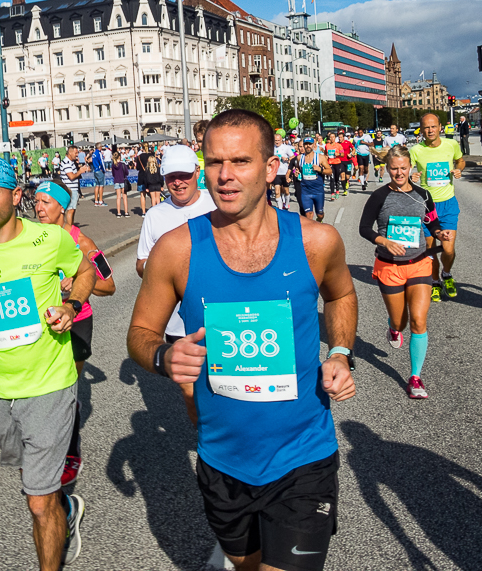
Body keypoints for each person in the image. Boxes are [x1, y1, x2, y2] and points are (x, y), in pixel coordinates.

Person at [128, 109, 358, 571]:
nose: (225, 176)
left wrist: (339, 352)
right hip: (222, 460)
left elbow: (342, 294)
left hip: (303, 457)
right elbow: (139, 333)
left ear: (271, 168)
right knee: (245, 564)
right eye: (214, 162)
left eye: (240, 162)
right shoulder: (177, 248)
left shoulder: (317, 241)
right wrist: (163, 356)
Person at [0, 157, 97, 570]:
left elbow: (85, 269)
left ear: (15, 196)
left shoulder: (50, 239)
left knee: (38, 501)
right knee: (31, 480)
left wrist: (71, 304)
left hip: (51, 382)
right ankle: (64, 506)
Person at [33, 179, 116, 487]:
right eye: (37, 201)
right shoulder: (30, 239)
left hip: (77, 322)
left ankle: (69, 451)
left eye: (46, 202)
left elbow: (109, 285)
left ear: (63, 207)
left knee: (66, 391)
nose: (39, 208)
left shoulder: (82, 241)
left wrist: (76, 279)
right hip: (42, 325)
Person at [359, 145, 453, 399]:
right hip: (389, 266)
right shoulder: (380, 196)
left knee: (419, 321)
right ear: (387, 169)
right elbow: (364, 228)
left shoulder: (423, 195)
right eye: (394, 168)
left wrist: (439, 233)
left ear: (410, 167)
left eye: (403, 168)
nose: (399, 173)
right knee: (400, 321)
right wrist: (384, 241)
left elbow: (431, 222)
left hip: (420, 263)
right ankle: (393, 327)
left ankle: (415, 377)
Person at [135, 145, 216, 422]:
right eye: (171, 177)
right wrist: (166, 269)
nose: (178, 182)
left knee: (227, 384)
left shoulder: (217, 204)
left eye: (184, 175)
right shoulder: (156, 215)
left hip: (219, 315)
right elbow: (140, 263)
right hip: (178, 324)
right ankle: (207, 442)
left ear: (197, 172)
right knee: (191, 393)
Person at [409, 114, 464, 302]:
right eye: (426, 127)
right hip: (426, 206)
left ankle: (446, 274)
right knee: (431, 251)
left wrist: (459, 170)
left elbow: (460, 160)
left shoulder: (451, 145)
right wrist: (412, 176)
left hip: (448, 203)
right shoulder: (416, 150)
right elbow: (407, 169)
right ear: (421, 130)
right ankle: (434, 282)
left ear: (440, 127)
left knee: (448, 249)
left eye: (433, 126)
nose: (430, 130)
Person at [290, 137, 331, 222]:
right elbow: (297, 169)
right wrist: (296, 173)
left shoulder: (320, 157)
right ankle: (312, 232)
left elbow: (329, 171)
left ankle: (319, 220)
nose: (308, 146)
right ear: (303, 146)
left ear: (313, 145)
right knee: (308, 215)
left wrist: (320, 169)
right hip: (305, 191)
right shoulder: (299, 158)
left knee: (320, 214)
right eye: (306, 144)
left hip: (318, 190)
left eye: (310, 144)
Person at [59, 145, 90, 225]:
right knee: (70, 210)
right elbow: (71, 176)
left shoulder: (71, 162)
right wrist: (80, 171)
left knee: (72, 209)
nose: (77, 155)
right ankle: (69, 229)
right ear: (70, 152)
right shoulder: (66, 162)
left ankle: (70, 227)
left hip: (73, 189)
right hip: (70, 189)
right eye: (76, 153)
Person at [272, 132, 295, 210]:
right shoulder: (272, 148)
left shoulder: (286, 148)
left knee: (286, 191)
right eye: (275, 140)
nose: (277, 142)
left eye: (278, 140)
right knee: (277, 191)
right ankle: (280, 208)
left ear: (281, 140)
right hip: (276, 172)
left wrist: (287, 159)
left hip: (285, 172)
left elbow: (293, 156)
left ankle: (286, 205)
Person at [325, 132, 343, 200]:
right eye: (331, 137)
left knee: (336, 179)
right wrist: (326, 157)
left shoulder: (339, 145)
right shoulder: (327, 145)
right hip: (330, 163)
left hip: (337, 163)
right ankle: (332, 193)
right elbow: (325, 153)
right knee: (331, 179)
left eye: (333, 137)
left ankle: (337, 191)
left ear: (335, 138)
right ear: (329, 138)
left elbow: (343, 154)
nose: (332, 138)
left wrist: (338, 154)